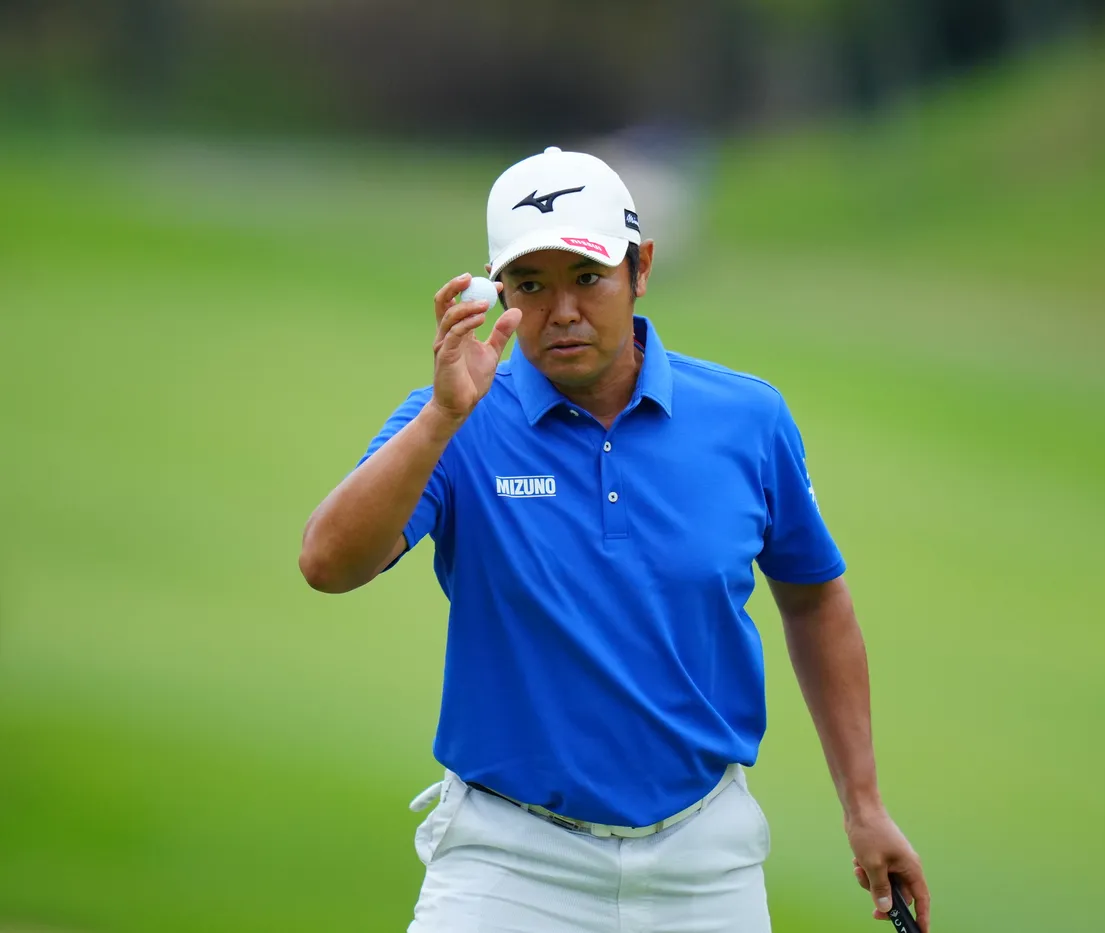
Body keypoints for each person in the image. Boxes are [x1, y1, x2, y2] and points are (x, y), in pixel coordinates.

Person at [298, 146, 929, 932]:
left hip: (705, 864)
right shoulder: (455, 417)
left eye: (587, 277)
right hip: (509, 861)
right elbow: (328, 563)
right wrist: (441, 418)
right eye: (531, 284)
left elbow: (814, 598)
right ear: (499, 292)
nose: (562, 309)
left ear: (641, 268)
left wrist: (863, 804)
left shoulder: (747, 418)